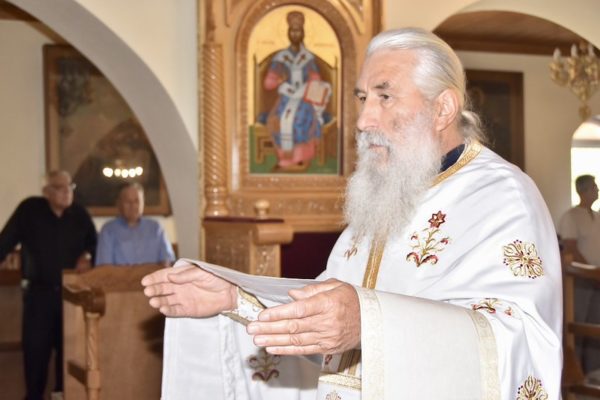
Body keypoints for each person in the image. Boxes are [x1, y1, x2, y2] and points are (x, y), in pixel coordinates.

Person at [143, 28, 562, 399]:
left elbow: (518, 344)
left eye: (384, 96)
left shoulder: (502, 198)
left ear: (443, 109)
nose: (363, 120)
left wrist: (369, 323)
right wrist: (236, 298)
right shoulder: (387, 194)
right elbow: (327, 325)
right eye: (363, 98)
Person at [0, 170, 97, 400]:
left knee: (69, 354)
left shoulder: (80, 214)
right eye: (60, 187)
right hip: (38, 296)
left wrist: (87, 256)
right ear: (46, 192)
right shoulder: (29, 210)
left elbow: (95, 245)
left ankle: (63, 395)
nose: (67, 192)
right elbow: (4, 242)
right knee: (35, 355)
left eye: (70, 187)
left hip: (71, 296)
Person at [263, 11, 332, 168]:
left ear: (303, 33)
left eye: (298, 30)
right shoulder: (281, 57)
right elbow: (268, 83)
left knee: (300, 120)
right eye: (292, 30)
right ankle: (284, 156)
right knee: (278, 120)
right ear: (287, 33)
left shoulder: (307, 57)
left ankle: (300, 157)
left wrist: (306, 86)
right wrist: (279, 81)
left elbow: (316, 79)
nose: (295, 34)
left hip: (304, 97)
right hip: (286, 97)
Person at [559, 174, 600, 375]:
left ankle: (593, 373)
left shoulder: (597, 216)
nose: (597, 190)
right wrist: (591, 272)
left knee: (595, 326)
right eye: (594, 187)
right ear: (583, 190)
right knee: (578, 326)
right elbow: (571, 248)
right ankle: (576, 375)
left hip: (597, 280)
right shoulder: (571, 216)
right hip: (580, 281)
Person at [95, 182, 175, 266]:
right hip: (120, 275)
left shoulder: (156, 228)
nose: (132, 206)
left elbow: (167, 262)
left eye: (137, 201)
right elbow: (105, 268)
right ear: (118, 204)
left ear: (143, 202)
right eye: (128, 201)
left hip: (154, 275)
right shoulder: (108, 230)